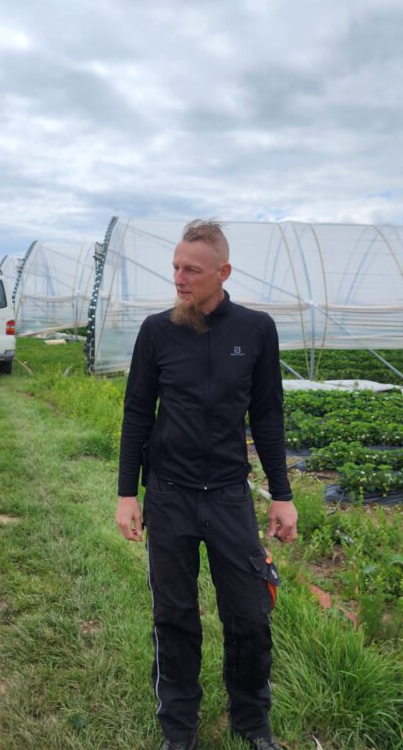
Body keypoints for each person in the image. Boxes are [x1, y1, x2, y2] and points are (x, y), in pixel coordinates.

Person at [115, 220, 298, 750]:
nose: (178, 277)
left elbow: (267, 415)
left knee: (249, 615)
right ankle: (179, 727)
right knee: (174, 616)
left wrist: (281, 495)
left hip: (227, 495)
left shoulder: (256, 330)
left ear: (223, 273)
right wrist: (129, 493)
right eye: (174, 266)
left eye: (190, 270)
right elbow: (136, 414)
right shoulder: (157, 331)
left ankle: (251, 722)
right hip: (168, 495)